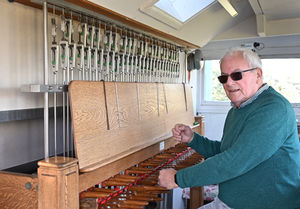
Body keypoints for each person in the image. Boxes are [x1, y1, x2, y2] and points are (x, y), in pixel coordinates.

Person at [158, 47, 300, 209]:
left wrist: (179, 179)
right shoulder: (237, 109)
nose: (229, 83)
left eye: (237, 75)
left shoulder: (273, 108)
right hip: (230, 202)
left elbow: (235, 160)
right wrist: (193, 139)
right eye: (223, 78)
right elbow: (226, 150)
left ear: (258, 75)